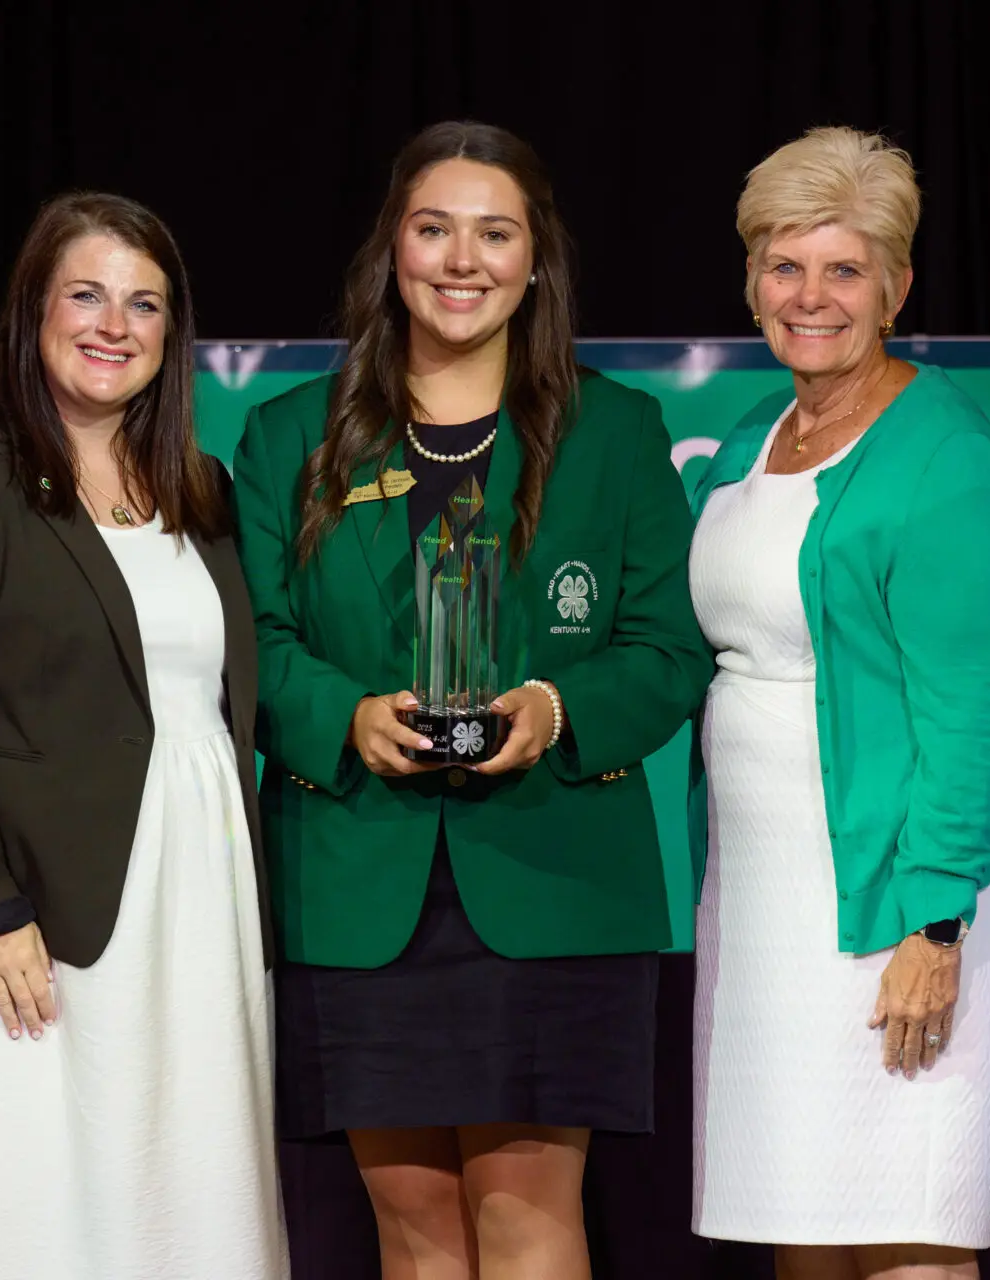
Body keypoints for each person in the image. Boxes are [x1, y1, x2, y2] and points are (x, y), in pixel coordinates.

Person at [234, 120, 712, 1280]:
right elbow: (253, 644)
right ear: (391, 248)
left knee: (531, 1219)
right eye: (434, 228)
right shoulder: (289, 433)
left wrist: (554, 709)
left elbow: (668, 649)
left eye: (495, 232)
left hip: (552, 878)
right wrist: (344, 716)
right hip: (354, 884)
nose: (463, 259)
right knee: (413, 1230)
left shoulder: (618, 432)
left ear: (535, 257)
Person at [0, 192, 287, 1278]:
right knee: (16, 1221)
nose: (115, 324)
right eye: (86, 294)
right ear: (33, 311)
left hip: (194, 909)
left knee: (184, 1212)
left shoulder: (202, 487)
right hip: (19, 930)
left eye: (145, 303)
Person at [688, 126, 990, 1280]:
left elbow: (981, 701)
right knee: (805, 1228)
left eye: (843, 269)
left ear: (897, 284)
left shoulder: (942, 450)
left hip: (891, 902)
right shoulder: (752, 436)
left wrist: (933, 925)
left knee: (908, 1237)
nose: (811, 295)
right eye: (785, 266)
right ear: (752, 283)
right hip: (764, 904)